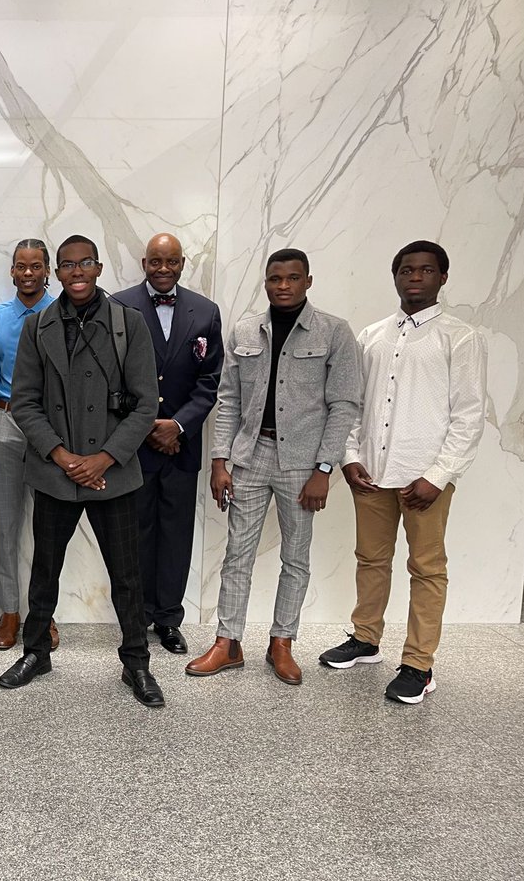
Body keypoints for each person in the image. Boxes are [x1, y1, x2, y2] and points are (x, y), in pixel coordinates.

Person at [0, 235, 165, 708]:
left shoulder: (129, 324)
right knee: (44, 569)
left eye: (84, 263)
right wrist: (61, 455)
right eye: (67, 265)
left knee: (128, 576)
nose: (76, 272)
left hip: (113, 473)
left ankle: (136, 662)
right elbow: (24, 403)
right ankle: (36, 651)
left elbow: (146, 403)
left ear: (98, 267)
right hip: (56, 472)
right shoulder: (37, 328)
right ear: (56, 272)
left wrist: (104, 458)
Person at [318, 241, 486, 705]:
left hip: (424, 479)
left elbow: (469, 415)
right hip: (371, 472)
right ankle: (366, 638)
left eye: (426, 270)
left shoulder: (460, 338)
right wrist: (350, 456)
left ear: (442, 278)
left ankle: (418, 664)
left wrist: (439, 474)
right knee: (370, 559)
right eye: (407, 269)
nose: (415, 277)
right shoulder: (371, 336)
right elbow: (351, 403)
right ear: (394, 276)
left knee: (427, 568)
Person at [189, 248, 361, 685]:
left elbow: (343, 405)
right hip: (250, 457)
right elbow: (228, 399)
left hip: (303, 464)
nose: (282, 285)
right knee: (237, 555)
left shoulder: (334, 333)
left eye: (292, 278)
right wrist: (219, 460)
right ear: (266, 281)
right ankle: (228, 643)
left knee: (296, 558)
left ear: (308, 281)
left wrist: (324, 469)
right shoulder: (247, 329)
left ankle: (281, 642)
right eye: (274, 278)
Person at [111, 233, 223, 655]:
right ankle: (135, 619)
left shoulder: (205, 311)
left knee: (176, 534)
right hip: (133, 448)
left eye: (171, 262)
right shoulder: (119, 306)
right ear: (144, 262)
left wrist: (176, 426)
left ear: (182, 264)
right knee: (135, 534)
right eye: (155, 261)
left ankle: (169, 620)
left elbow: (209, 381)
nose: (163, 269)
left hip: (182, 446)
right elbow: (112, 377)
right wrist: (147, 427)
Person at [0, 239, 57, 650]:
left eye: (36, 267)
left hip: (51, 429)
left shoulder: (64, 315)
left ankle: (42, 616)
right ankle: (10, 613)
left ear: (47, 270)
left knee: (49, 528)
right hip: (7, 423)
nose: (28, 273)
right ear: (11, 272)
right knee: (6, 525)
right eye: (20, 267)